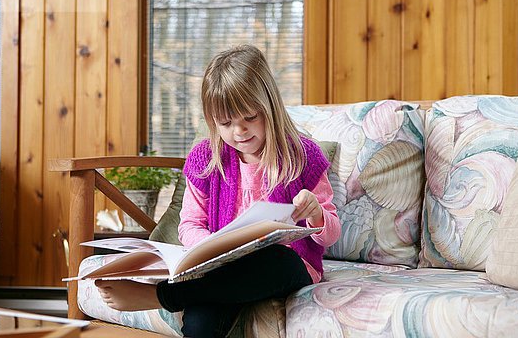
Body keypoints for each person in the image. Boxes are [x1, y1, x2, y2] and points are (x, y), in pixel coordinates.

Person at [96, 44, 340, 337]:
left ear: (270, 108)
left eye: (250, 117)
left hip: (288, 264)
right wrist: (209, 248)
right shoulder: (206, 159)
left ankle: (161, 297)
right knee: (201, 321)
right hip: (223, 269)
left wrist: (315, 215)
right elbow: (190, 224)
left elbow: (331, 233)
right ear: (212, 122)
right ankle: (184, 293)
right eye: (226, 123)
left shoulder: (303, 156)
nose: (240, 131)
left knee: (278, 259)